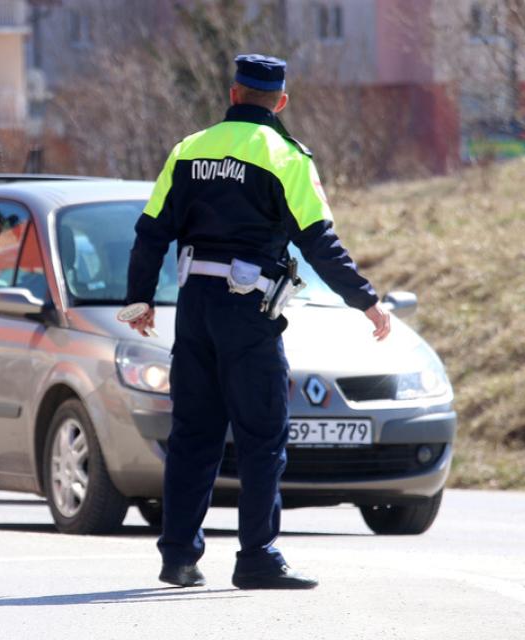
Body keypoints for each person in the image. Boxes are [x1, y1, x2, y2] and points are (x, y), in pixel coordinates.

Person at [123, 54, 391, 590]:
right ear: (280, 102)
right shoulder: (286, 156)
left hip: (194, 310)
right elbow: (318, 241)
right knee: (262, 435)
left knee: (193, 433)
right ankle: (257, 557)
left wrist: (139, 301)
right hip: (247, 313)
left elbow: (151, 231)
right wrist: (365, 300)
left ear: (233, 94)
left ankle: (178, 556)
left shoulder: (188, 149)